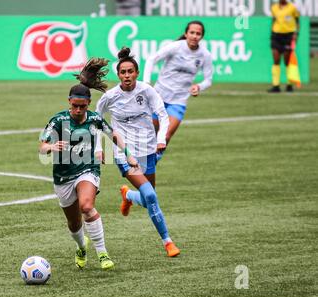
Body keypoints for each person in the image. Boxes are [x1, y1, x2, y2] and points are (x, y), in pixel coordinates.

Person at [39, 58, 139, 270]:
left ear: (88, 105)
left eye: (82, 106)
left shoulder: (94, 119)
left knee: (87, 206)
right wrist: (50, 148)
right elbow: (42, 145)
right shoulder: (57, 120)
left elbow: (114, 135)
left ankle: (102, 253)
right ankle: (81, 246)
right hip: (63, 176)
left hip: (88, 169)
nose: (77, 110)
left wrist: (129, 155)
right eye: (74, 106)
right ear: (69, 102)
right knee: (74, 224)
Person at [95, 47, 181, 258]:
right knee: (151, 195)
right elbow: (95, 122)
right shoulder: (110, 97)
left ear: (137, 73)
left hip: (148, 149)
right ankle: (168, 242)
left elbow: (162, 115)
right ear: (118, 75)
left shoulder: (147, 91)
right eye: (123, 72)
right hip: (124, 153)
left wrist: (161, 139)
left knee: (148, 195)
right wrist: (99, 148)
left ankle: (130, 196)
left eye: (130, 71)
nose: (127, 76)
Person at [143, 20, 213, 162]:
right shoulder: (175, 47)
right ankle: (143, 166)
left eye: (198, 34)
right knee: (152, 135)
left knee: (166, 136)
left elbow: (208, 80)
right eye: (192, 32)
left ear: (202, 37)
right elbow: (151, 59)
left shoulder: (205, 55)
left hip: (178, 101)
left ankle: (150, 166)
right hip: (159, 96)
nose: (194, 36)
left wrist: (199, 87)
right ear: (186, 34)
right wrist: (146, 83)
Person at [268, 0, 300, 93]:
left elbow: (297, 22)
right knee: (276, 60)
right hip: (276, 35)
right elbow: (274, 21)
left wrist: (296, 34)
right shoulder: (274, 8)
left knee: (287, 61)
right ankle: (276, 85)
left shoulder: (292, 8)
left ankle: (289, 84)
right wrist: (272, 32)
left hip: (288, 35)